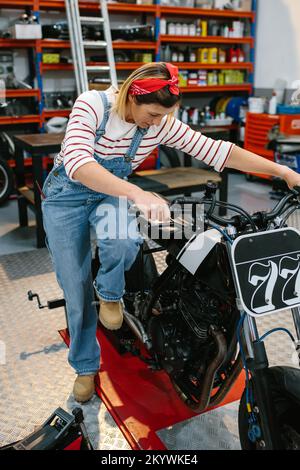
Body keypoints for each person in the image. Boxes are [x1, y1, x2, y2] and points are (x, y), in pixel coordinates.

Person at [42, 62, 300, 403]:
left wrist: (281, 171)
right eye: (151, 114)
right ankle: (86, 367)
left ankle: (109, 292)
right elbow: (76, 162)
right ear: (131, 96)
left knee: (124, 244)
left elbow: (217, 151)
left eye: (163, 117)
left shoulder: (159, 123)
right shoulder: (92, 104)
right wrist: (136, 192)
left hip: (110, 193)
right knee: (74, 287)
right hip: (66, 198)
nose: (156, 123)